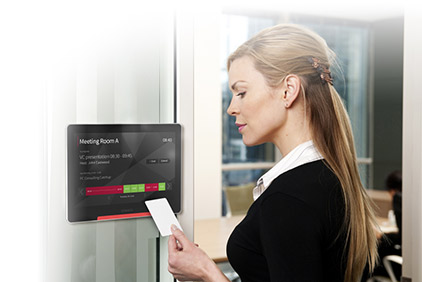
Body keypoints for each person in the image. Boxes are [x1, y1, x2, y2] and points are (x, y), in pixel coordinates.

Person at [167, 24, 378, 282]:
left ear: (288, 90)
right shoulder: (330, 177)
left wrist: (206, 273)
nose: (231, 108)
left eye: (241, 92)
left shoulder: (288, 200)